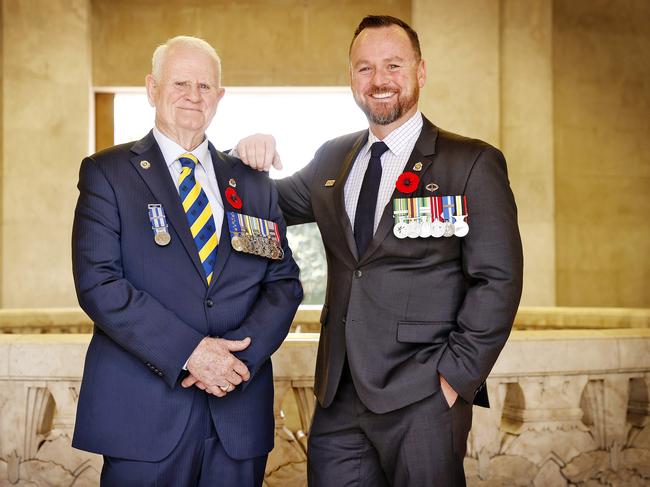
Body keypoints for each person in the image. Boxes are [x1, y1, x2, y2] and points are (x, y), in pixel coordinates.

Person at [235, 15, 523, 487]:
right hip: (338, 398)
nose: (379, 80)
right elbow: (262, 207)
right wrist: (246, 157)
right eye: (365, 68)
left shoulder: (470, 163)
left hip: (424, 395)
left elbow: (498, 280)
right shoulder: (332, 157)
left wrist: (453, 379)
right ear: (351, 78)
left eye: (393, 65)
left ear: (420, 72)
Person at [71, 35, 302, 486]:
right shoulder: (108, 173)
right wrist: (191, 353)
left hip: (237, 411)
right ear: (152, 88)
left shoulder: (253, 183)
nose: (192, 96)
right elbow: (99, 283)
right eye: (180, 83)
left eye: (204, 86)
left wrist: (236, 362)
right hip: (144, 417)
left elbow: (283, 283)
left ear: (219, 95)